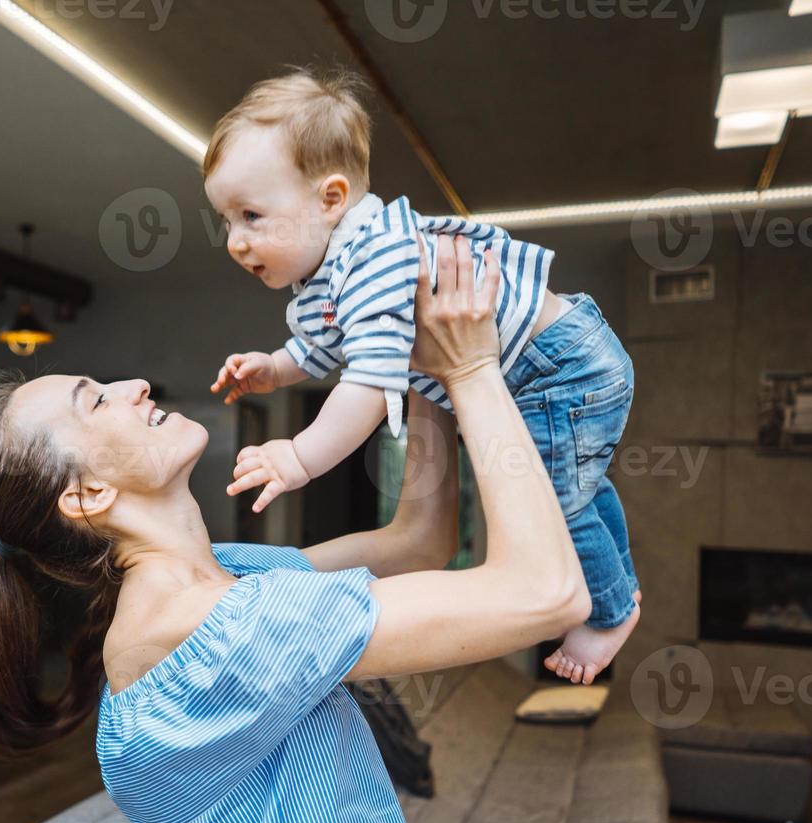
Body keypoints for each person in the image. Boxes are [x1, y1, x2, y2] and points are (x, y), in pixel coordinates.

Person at [0, 236, 589, 823]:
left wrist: (416, 374)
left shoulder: (228, 580)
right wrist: (473, 368)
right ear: (88, 496)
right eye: (95, 400)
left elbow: (419, 540)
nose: (134, 386)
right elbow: (546, 593)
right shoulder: (215, 632)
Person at [203, 69, 640, 683]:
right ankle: (622, 586)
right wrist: (275, 370)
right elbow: (321, 348)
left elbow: (370, 384)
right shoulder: (326, 276)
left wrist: (299, 458)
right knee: (580, 487)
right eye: (226, 220)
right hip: (559, 359)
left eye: (250, 215)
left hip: (558, 365)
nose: (235, 240)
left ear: (330, 199)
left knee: (557, 497)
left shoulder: (376, 259)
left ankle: (608, 612)